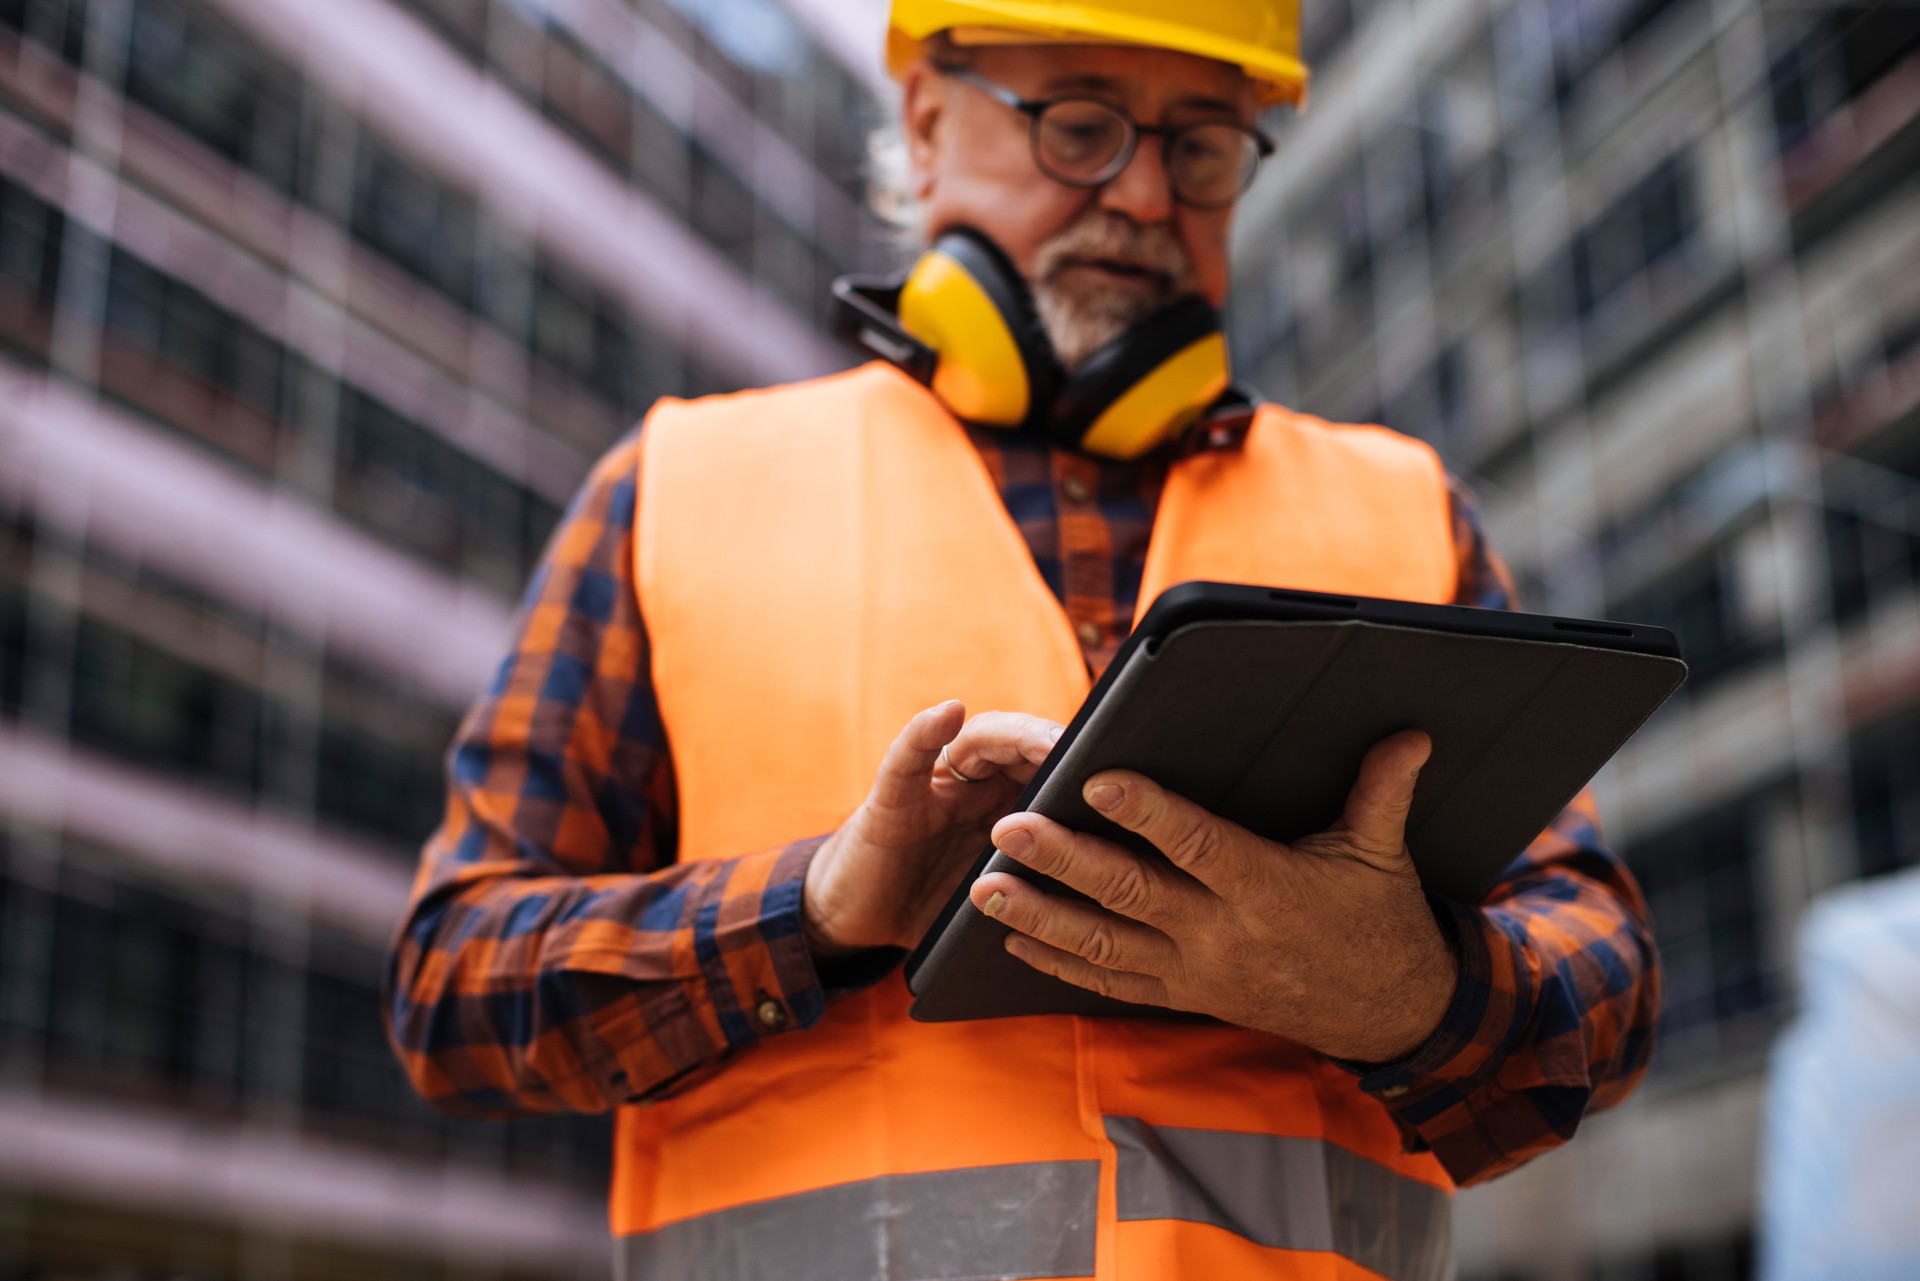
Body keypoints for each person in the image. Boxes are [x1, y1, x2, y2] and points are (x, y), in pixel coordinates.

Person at [384, 3, 1661, 1278]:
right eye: (1082, 127)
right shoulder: (676, 488)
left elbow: (1609, 984)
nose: (1148, 194)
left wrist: (1401, 991)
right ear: (929, 128)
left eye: (1205, 146)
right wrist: (811, 912)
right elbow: (453, 994)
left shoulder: (1404, 510)